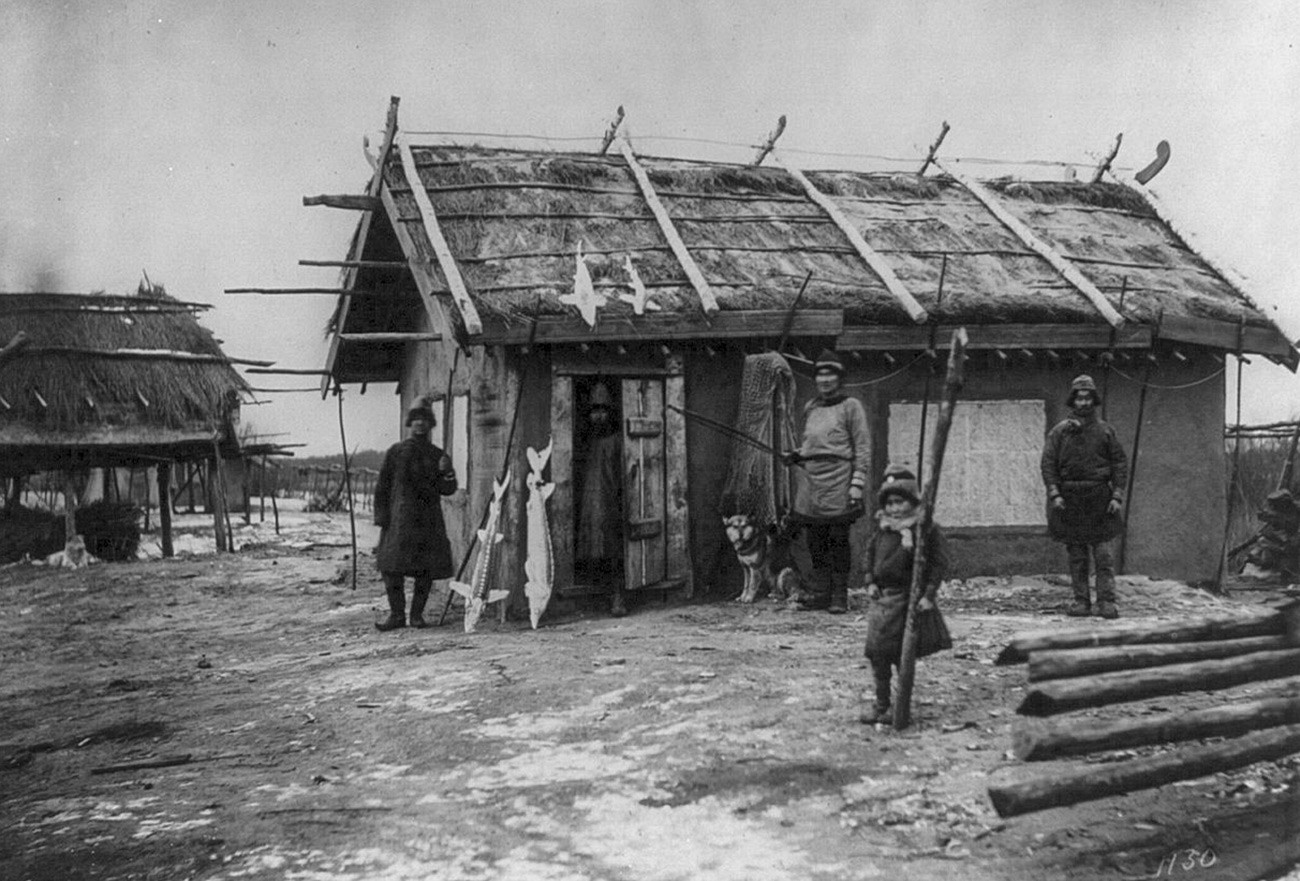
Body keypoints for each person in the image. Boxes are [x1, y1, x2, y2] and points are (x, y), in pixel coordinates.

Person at [860, 464, 951, 724]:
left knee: (902, 656)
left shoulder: (924, 530)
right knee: (877, 653)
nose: (894, 508)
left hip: (907, 601)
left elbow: (937, 564)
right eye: (889, 503)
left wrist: (928, 594)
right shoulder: (883, 527)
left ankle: (901, 707)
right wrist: (869, 581)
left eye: (899, 502)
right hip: (882, 601)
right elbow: (869, 554)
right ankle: (881, 704)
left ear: (911, 502)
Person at [783, 350, 869, 613]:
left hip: (839, 480)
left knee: (837, 539)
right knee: (815, 541)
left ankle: (839, 596)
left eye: (830, 374)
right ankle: (821, 592)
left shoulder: (851, 406)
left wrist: (857, 483)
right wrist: (796, 455)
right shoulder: (812, 407)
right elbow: (811, 444)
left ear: (839, 379)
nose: (825, 380)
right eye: (821, 375)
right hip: (811, 483)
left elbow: (862, 448)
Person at [1040, 374, 1129, 619]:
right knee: (1077, 557)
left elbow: (1119, 464)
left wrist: (1116, 496)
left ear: (1094, 400)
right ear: (1073, 401)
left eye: (1088, 398)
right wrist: (1055, 494)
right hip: (1070, 499)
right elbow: (1048, 464)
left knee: (1103, 556)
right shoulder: (1059, 433)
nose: (1084, 403)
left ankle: (1107, 602)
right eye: (1079, 398)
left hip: (1100, 498)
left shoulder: (1106, 431)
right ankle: (1081, 602)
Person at [372, 397, 458, 631]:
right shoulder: (396, 452)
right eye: (416, 420)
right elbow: (382, 487)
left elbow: (448, 489)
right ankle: (397, 615)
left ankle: (417, 615)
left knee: (425, 569)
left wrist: (446, 471)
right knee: (391, 567)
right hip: (399, 520)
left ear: (430, 424)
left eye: (424, 420)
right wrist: (381, 517)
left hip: (427, 520)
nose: (420, 424)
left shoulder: (437, 454)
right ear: (410, 423)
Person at [576, 383, 627, 616]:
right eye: (594, 411)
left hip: (610, 501)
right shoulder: (584, 442)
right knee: (592, 550)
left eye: (603, 410)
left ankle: (618, 596)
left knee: (614, 548)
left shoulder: (618, 441)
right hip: (588, 504)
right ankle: (596, 599)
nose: (599, 415)